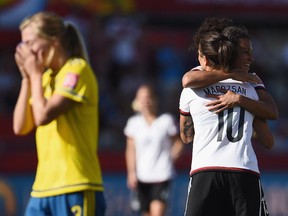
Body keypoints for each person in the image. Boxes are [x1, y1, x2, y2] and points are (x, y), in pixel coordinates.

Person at [13, 12, 106, 215]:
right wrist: (27, 79)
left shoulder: (76, 69)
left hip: (76, 184)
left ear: (52, 41)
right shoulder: (44, 77)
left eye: (30, 44)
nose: (26, 52)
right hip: (42, 188)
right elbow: (20, 127)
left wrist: (35, 75)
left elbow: (42, 116)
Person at [179, 30, 274, 216]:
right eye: (246, 52)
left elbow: (186, 136)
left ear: (205, 59)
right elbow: (268, 141)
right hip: (244, 171)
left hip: (204, 171)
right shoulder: (250, 88)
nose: (251, 58)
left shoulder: (191, 91)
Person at [182, 18, 278, 120]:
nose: (251, 58)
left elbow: (272, 112)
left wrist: (239, 99)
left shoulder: (251, 80)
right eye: (245, 52)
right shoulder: (202, 73)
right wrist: (231, 74)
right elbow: (188, 80)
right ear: (230, 51)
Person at [124, 83, 184, 216]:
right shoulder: (133, 123)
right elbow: (130, 150)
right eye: (142, 98)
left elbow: (178, 143)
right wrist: (131, 173)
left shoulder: (166, 121)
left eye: (148, 97)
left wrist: (174, 154)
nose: (145, 102)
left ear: (155, 99)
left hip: (161, 175)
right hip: (142, 177)